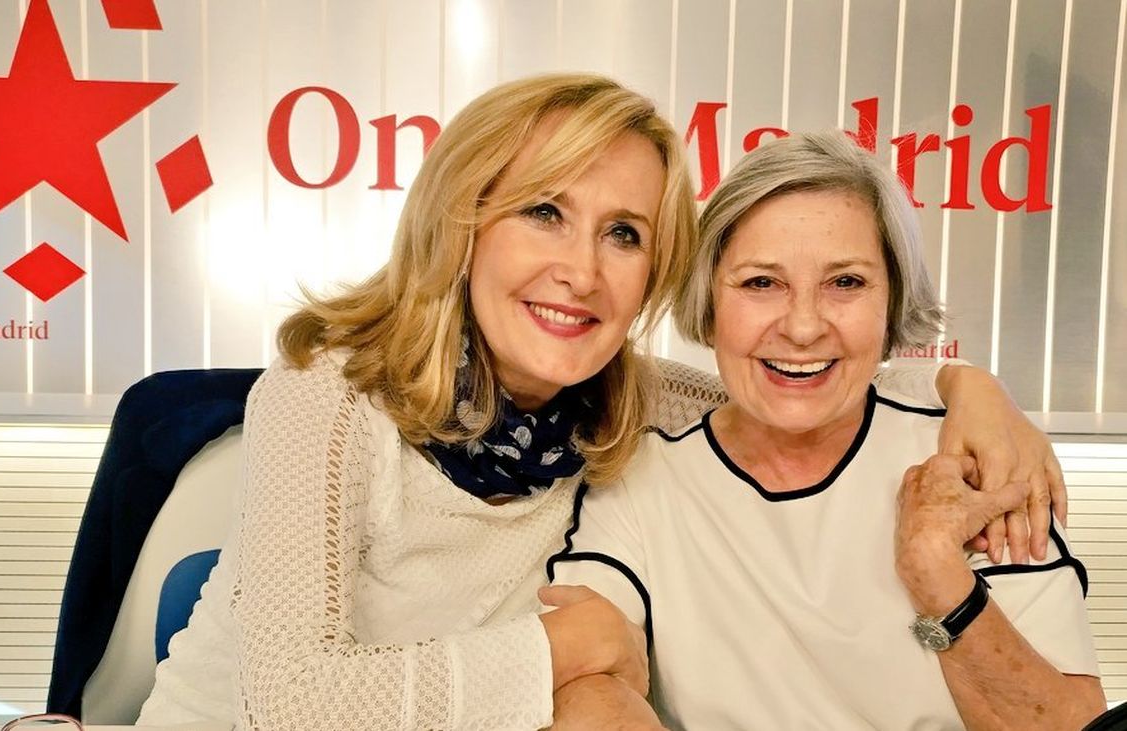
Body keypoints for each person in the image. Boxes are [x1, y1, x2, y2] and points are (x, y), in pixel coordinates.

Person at [137, 75, 1067, 730]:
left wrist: (970, 390)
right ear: (463, 221)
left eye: (623, 233)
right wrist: (563, 647)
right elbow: (286, 703)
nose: (581, 271)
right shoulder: (326, 397)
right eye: (544, 211)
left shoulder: (629, 402)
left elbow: (795, 375)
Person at [548, 130, 1105, 730]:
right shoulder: (640, 479)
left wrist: (939, 576)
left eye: (846, 283)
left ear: (892, 303)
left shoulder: (970, 458)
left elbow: (1071, 725)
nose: (804, 327)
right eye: (761, 283)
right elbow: (587, 683)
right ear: (709, 302)